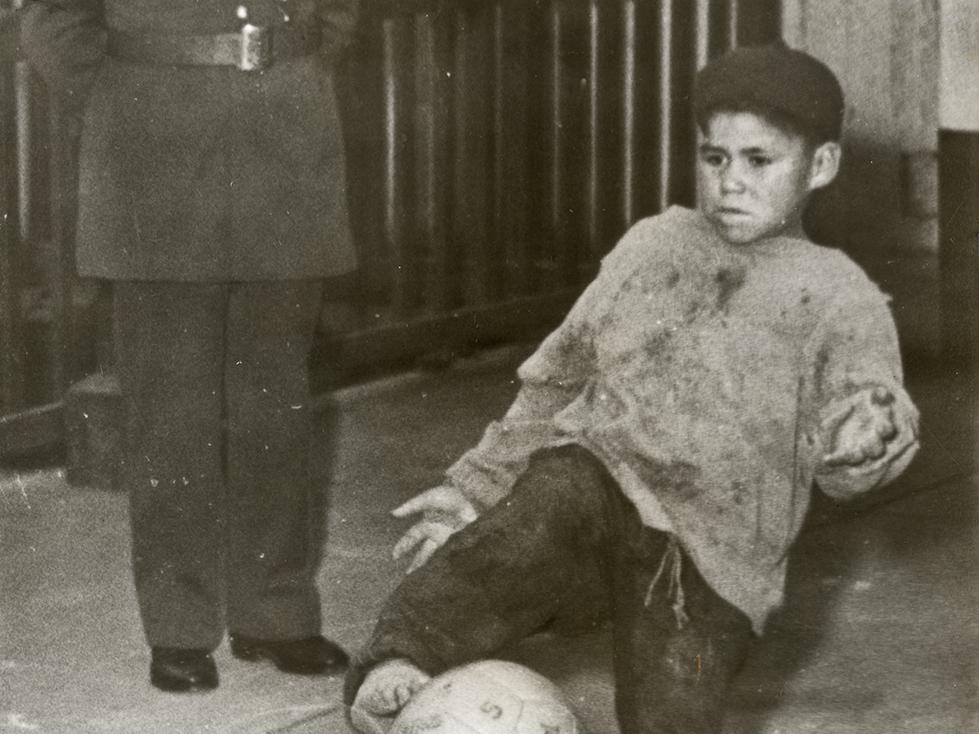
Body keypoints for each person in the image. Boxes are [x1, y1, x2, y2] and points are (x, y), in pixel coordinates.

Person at [343, 43, 921, 733]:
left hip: (708, 564)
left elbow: (868, 411)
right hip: (599, 496)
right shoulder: (652, 247)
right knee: (553, 489)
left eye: (759, 161)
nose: (730, 181)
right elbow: (557, 377)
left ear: (819, 165)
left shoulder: (837, 295)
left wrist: (864, 441)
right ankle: (399, 664)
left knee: (673, 713)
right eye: (714, 157)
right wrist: (477, 484)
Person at [22, 0, 359, 692]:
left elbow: (339, 12)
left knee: (276, 405)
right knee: (171, 411)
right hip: (154, 152)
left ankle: (274, 612)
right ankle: (178, 625)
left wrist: (293, 64)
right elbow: (54, 23)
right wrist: (132, 101)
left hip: (285, 140)